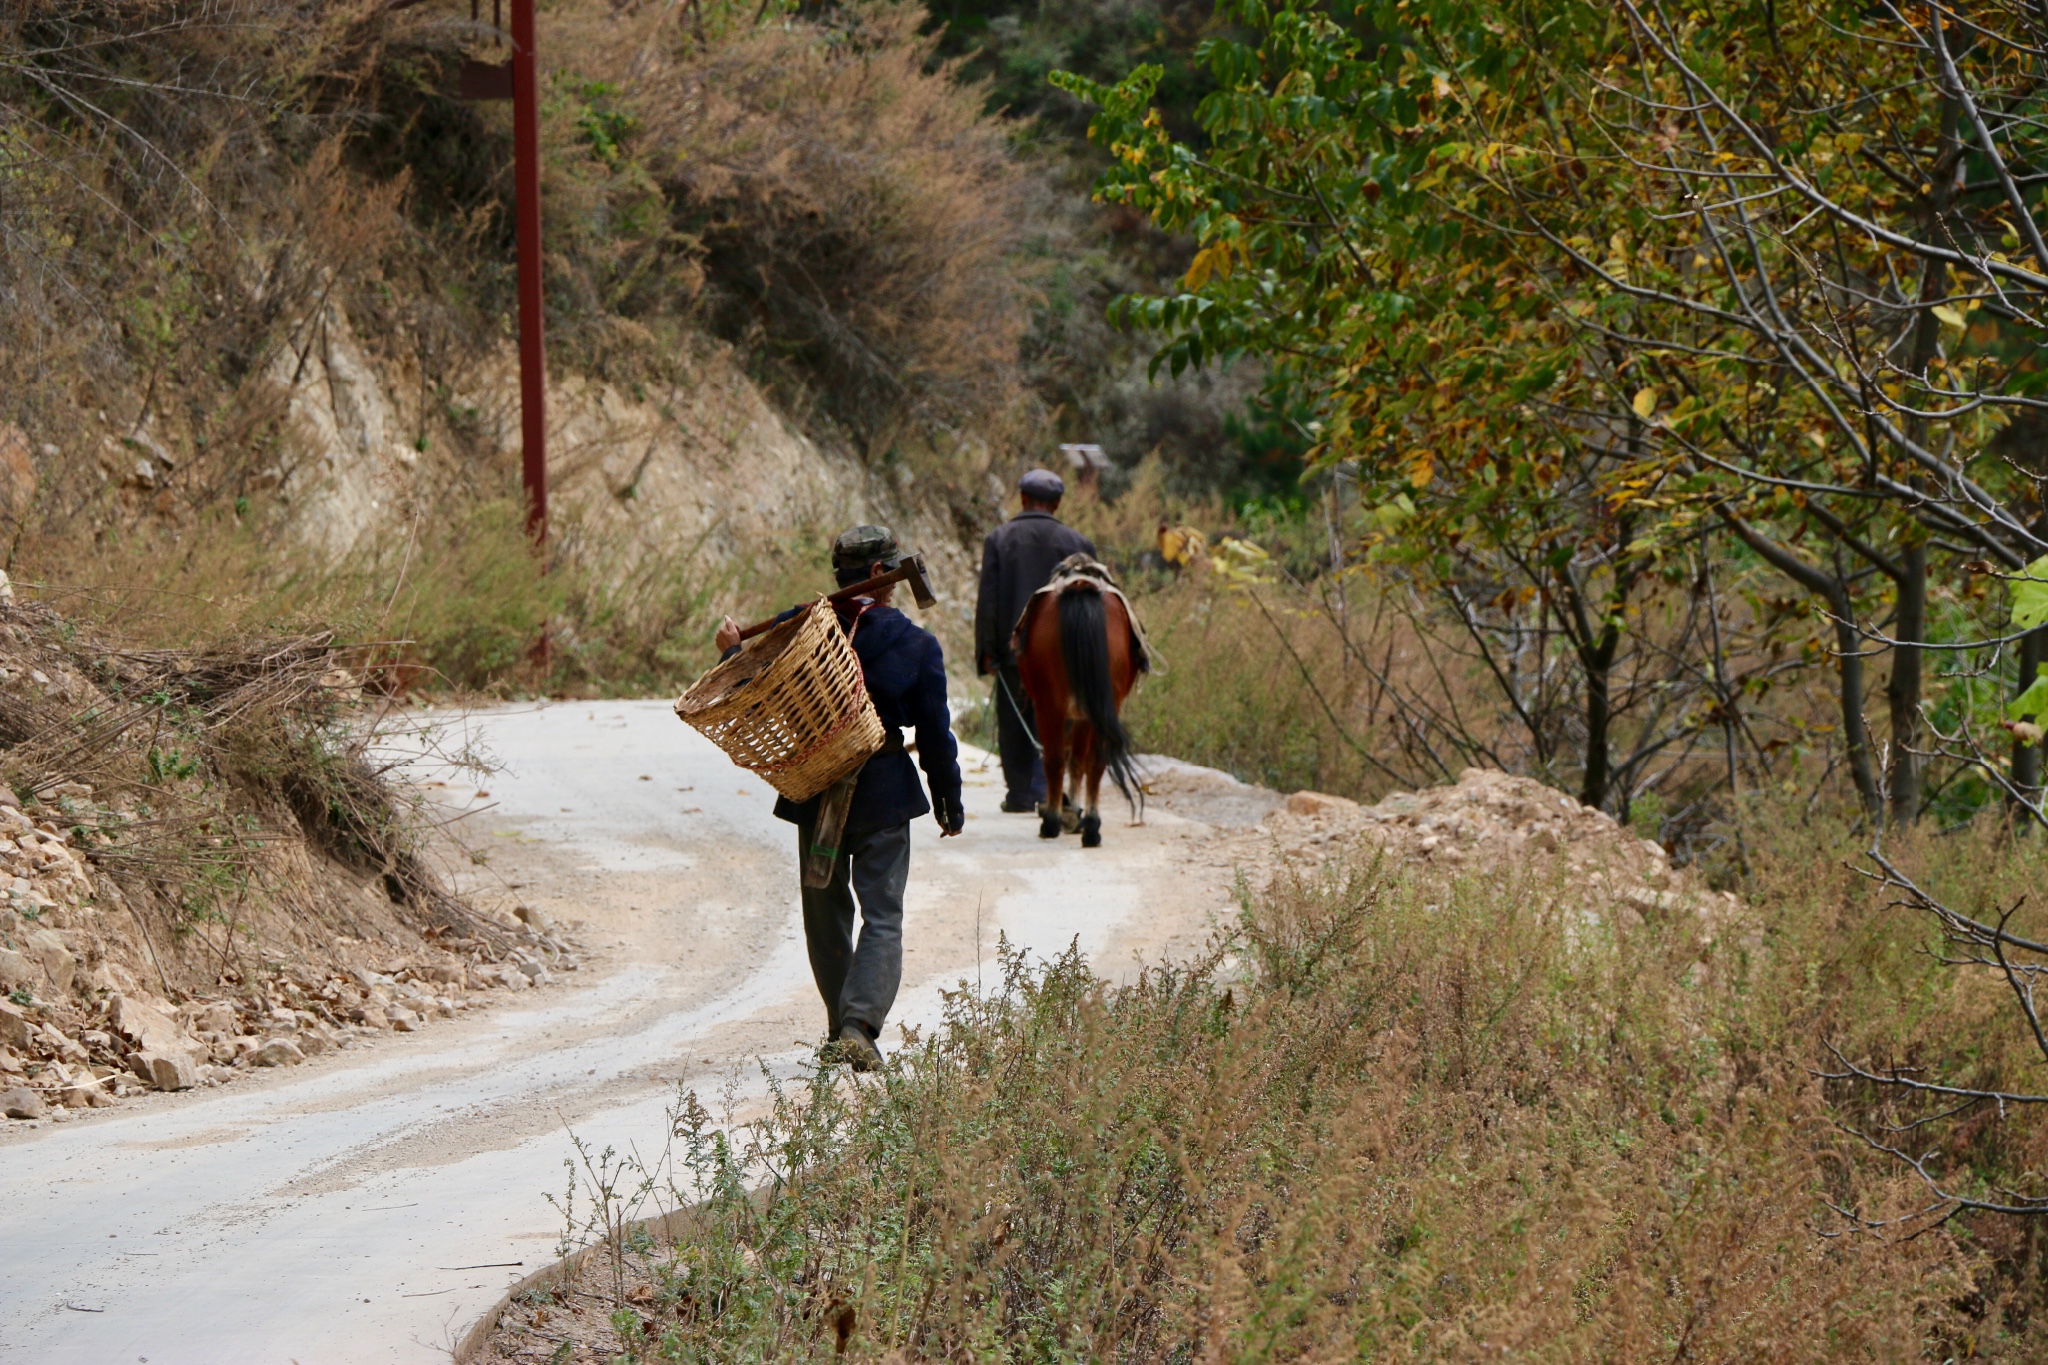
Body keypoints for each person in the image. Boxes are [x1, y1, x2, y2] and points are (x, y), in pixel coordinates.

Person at [714, 525, 964, 1072]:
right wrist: (947, 799)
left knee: (825, 914)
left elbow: (748, 685)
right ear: (881, 575)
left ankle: (842, 1029)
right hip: (883, 792)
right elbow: (936, 733)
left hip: (817, 787)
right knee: (883, 915)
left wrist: (732, 651)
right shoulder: (916, 645)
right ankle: (857, 1027)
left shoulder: (800, 626)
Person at [974, 468, 1097, 813]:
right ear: (1057, 504)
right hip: (1069, 655)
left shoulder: (1000, 539)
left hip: (1016, 650)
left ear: (1023, 498)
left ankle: (1021, 794)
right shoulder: (1079, 544)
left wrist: (987, 650)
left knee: (1014, 720)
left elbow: (990, 600)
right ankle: (1051, 789)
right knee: (1062, 717)